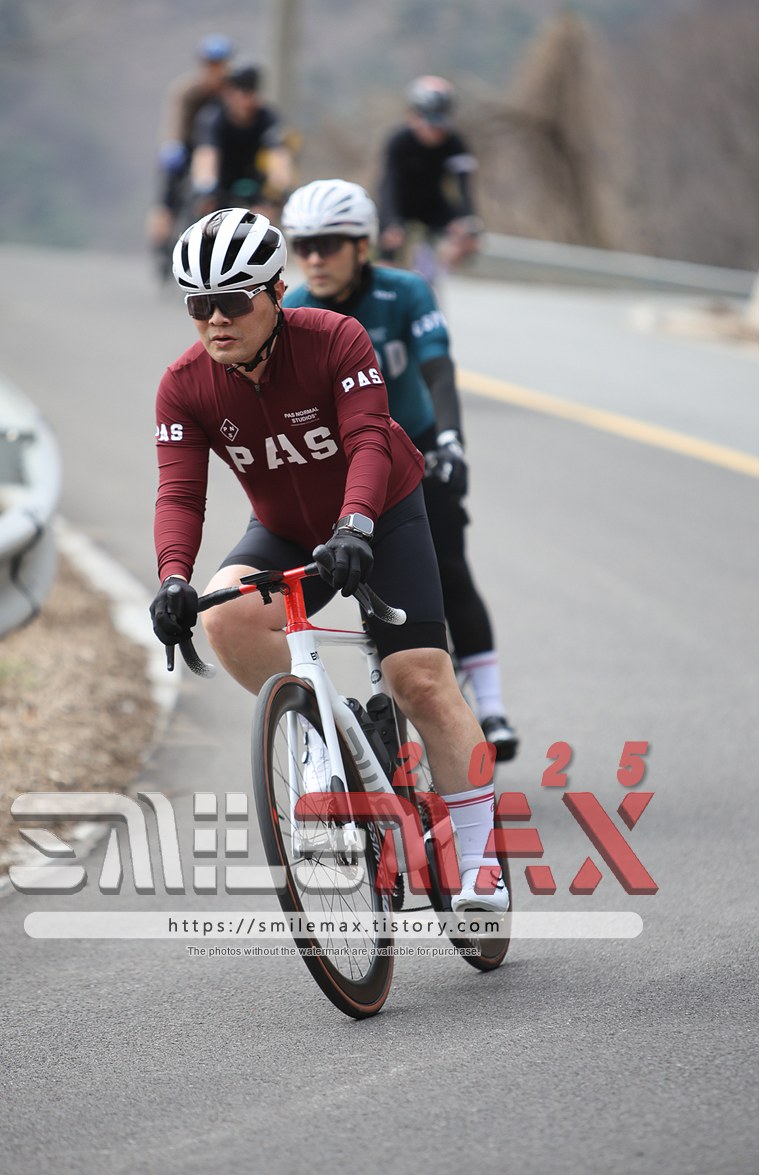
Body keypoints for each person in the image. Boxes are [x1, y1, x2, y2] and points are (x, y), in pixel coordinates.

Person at [150, 207, 507, 914]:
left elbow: (370, 438)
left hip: (382, 514)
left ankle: (481, 863)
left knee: (420, 679)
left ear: (276, 294)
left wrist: (355, 526)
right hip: (283, 528)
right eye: (198, 304)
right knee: (225, 617)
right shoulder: (184, 385)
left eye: (233, 301)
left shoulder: (335, 338)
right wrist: (173, 578)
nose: (215, 319)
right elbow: (180, 494)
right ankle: (333, 732)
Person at [281, 179, 519, 760]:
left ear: (362, 246)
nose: (314, 258)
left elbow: (437, 368)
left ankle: (490, 707)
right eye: (303, 245)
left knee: (451, 569)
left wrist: (451, 441)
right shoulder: (293, 310)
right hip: (349, 462)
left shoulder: (406, 290)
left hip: (417, 446)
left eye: (329, 244)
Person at [378, 76, 482, 280]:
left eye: (441, 124)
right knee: (389, 244)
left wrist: (467, 221)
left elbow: (464, 187)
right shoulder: (399, 141)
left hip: (433, 205)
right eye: (430, 123)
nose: (436, 132)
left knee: (471, 236)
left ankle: (434, 274)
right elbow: (389, 185)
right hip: (400, 203)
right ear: (414, 117)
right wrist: (392, 222)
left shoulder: (455, 143)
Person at [148, 34, 236, 273]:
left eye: (220, 64)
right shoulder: (187, 90)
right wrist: (172, 146)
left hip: (213, 153)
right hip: (184, 150)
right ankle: (159, 245)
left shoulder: (229, 92)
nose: (216, 70)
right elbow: (174, 123)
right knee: (167, 199)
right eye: (211, 64)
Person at [188, 61, 292, 221]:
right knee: (204, 207)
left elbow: (278, 155)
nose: (250, 99)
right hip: (220, 182)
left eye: (254, 91)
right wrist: (206, 188)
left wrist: (278, 191)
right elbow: (206, 155)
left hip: (254, 183)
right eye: (244, 92)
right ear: (228, 93)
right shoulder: (213, 117)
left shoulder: (268, 118)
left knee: (269, 213)